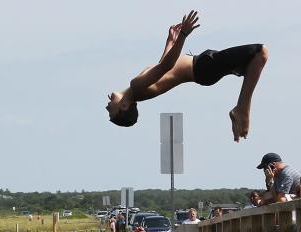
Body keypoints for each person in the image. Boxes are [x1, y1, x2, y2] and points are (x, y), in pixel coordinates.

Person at [106, 11, 268, 143]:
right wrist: (183, 35)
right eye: (111, 112)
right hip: (203, 67)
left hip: (203, 69)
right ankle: (242, 109)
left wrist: (170, 41)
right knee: (260, 53)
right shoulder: (136, 87)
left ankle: (241, 109)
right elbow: (166, 66)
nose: (107, 108)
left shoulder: (139, 90)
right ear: (125, 105)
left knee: (254, 60)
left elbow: (163, 66)